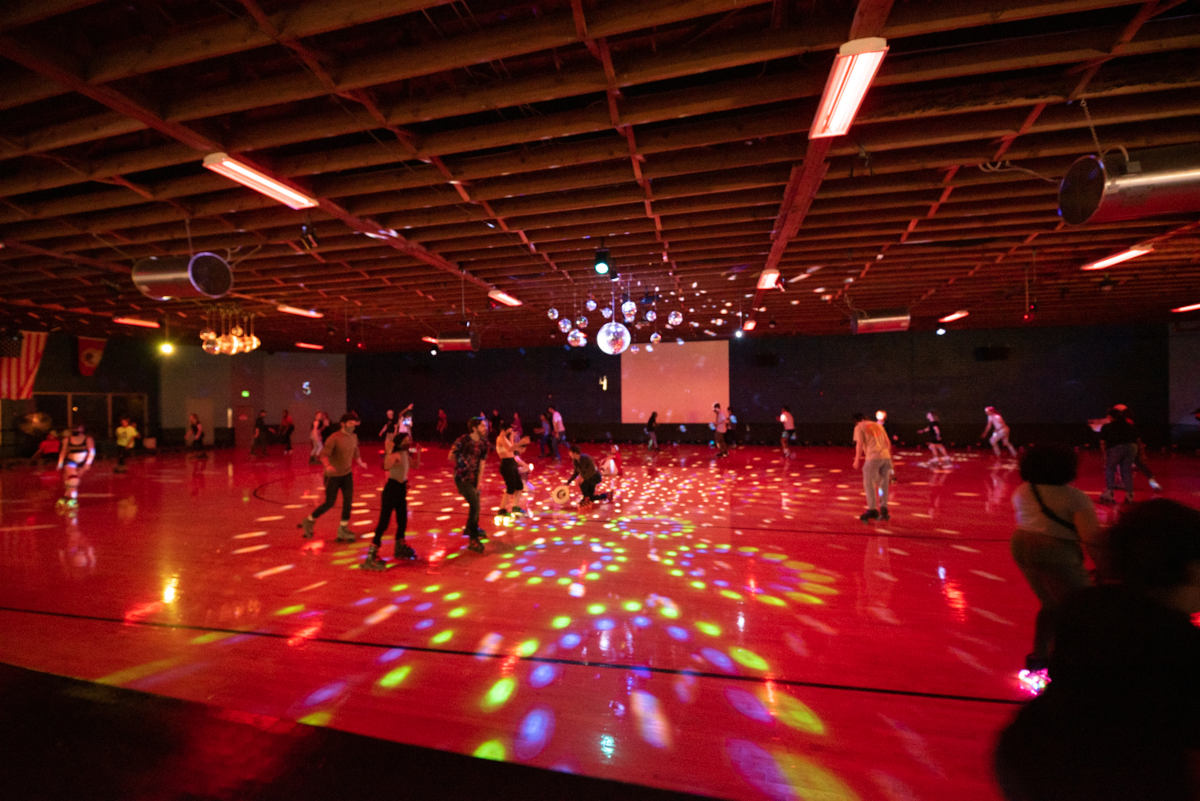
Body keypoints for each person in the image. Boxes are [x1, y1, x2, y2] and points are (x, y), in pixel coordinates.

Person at [995, 499, 1200, 801]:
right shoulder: (1181, 643)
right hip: (1106, 777)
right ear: (1191, 569)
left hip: (1030, 754)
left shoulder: (1084, 606)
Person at [1008, 444, 1102, 690]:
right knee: (1083, 608)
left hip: (1021, 546)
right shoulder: (1073, 497)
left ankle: (1038, 661)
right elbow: (1091, 537)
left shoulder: (1023, 491)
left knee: (1050, 605)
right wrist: (1105, 568)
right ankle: (1073, 665)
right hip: (1056, 550)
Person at [298, 412, 367, 542]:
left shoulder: (353, 437)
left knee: (348, 502)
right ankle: (309, 520)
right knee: (330, 503)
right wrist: (327, 465)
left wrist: (359, 462)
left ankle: (343, 529)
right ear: (343, 424)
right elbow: (323, 455)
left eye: (354, 424)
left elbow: (355, 450)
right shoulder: (334, 438)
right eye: (350, 423)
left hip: (347, 474)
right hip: (333, 476)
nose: (353, 426)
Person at [363, 433, 419, 570]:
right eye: (406, 440)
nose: (408, 442)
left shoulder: (406, 455)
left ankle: (400, 546)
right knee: (384, 522)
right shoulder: (396, 455)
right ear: (399, 443)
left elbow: (415, 465)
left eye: (409, 440)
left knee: (402, 519)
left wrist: (419, 452)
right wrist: (388, 451)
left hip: (401, 489)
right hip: (391, 489)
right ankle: (372, 553)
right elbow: (386, 466)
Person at [449, 416, 490, 552]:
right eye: (482, 426)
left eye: (485, 426)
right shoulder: (463, 440)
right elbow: (451, 456)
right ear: (474, 428)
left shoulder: (484, 443)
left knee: (475, 505)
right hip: (462, 478)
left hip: (473, 479)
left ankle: (471, 527)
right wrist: (462, 461)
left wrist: (478, 483)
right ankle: (473, 539)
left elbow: (482, 464)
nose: (485, 428)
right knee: (475, 505)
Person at [852, 412, 892, 522]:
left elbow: (859, 444)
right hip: (885, 457)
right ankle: (884, 508)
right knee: (883, 485)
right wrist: (888, 457)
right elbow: (888, 443)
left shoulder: (859, 427)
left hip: (873, 458)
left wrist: (856, 460)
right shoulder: (878, 425)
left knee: (869, 483)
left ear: (856, 420)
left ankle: (872, 509)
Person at [1098, 405, 1138, 505]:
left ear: (1111, 417)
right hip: (1132, 447)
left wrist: (1104, 455)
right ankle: (1130, 495)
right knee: (1126, 471)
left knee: (1110, 468)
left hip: (1116, 447)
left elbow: (1103, 442)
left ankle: (1109, 493)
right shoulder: (1129, 425)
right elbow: (1137, 439)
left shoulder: (1107, 426)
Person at [494, 420, 531, 526]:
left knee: (519, 486)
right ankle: (502, 510)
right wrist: (522, 442)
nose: (511, 431)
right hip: (506, 465)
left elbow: (512, 449)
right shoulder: (500, 438)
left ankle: (515, 507)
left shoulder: (505, 438)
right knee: (510, 488)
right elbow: (510, 448)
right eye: (510, 429)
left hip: (511, 463)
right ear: (504, 429)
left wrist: (513, 438)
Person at [56, 422, 95, 512]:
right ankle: (73, 499)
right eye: (73, 428)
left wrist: (87, 464)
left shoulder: (88, 439)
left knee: (72, 482)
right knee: (73, 479)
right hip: (70, 462)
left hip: (82, 463)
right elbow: (63, 452)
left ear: (82, 429)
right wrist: (60, 463)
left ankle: (66, 496)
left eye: (77, 428)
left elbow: (92, 452)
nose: (75, 430)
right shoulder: (67, 440)